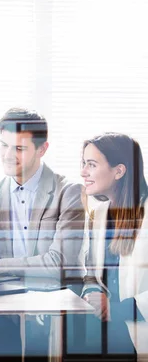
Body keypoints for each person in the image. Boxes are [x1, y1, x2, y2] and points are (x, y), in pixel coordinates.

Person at [0, 107, 85, 356]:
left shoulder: (69, 193)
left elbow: (59, 264)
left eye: (19, 148)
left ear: (42, 149)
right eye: (4, 145)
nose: (8, 155)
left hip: (55, 313)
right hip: (5, 314)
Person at [80, 133, 148, 356]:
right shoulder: (98, 215)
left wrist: (117, 309)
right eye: (83, 164)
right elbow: (91, 272)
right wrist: (92, 292)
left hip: (139, 330)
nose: (83, 172)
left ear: (119, 171)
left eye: (91, 164)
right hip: (108, 334)